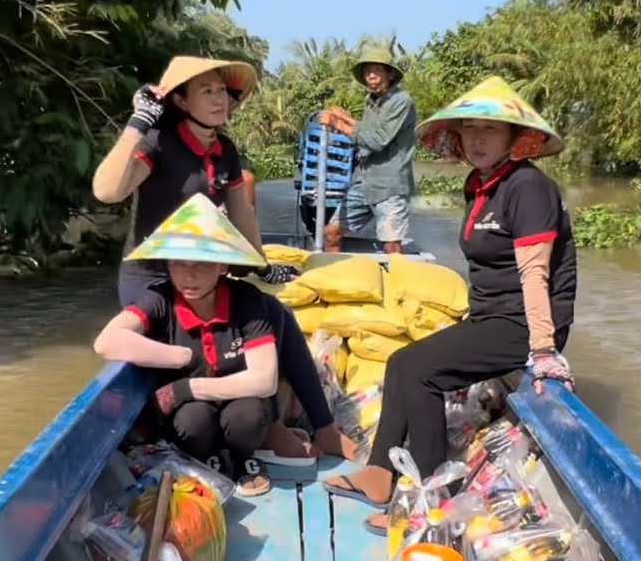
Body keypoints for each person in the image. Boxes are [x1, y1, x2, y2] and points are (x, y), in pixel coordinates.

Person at [323, 76, 577, 515]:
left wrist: (543, 349)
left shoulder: (528, 188)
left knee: (422, 372)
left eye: (490, 129)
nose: (478, 140)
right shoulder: (481, 184)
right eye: (470, 130)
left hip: (521, 326)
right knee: (401, 361)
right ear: (457, 138)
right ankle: (380, 474)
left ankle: (429, 497)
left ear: (514, 138)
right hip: (490, 317)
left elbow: (535, 275)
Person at [92, 56, 356, 460]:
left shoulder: (224, 149)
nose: (220, 100)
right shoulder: (159, 141)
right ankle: (232, 430)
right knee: (194, 350)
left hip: (202, 263)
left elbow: (241, 214)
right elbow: (107, 191)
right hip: (153, 273)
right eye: (206, 91)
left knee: (275, 314)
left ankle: (319, 427)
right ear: (180, 100)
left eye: (223, 91)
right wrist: (138, 123)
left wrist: (260, 268)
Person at [92, 193, 285, 496]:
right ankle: (207, 460)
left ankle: (238, 459)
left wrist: (186, 388)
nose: (189, 275)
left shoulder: (247, 300)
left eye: (202, 265)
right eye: (178, 264)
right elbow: (107, 342)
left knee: (248, 415)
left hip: (239, 400)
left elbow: (264, 380)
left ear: (222, 266)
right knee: (193, 422)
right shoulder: (159, 298)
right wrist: (180, 356)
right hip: (193, 413)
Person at [318, 46, 417, 254]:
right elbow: (367, 129)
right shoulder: (370, 102)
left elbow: (378, 140)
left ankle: (396, 283)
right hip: (364, 182)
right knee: (331, 233)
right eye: (367, 71)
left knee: (391, 245)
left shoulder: (401, 101)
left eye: (376, 70)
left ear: (390, 74)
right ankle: (333, 280)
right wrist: (344, 117)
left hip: (390, 186)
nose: (370, 75)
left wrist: (338, 125)